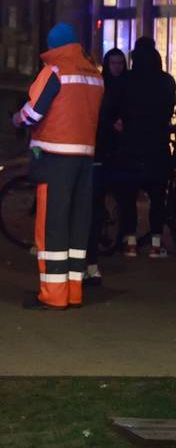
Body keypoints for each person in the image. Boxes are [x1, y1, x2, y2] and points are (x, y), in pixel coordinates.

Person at [13, 23, 105, 310]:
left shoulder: (55, 71)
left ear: (53, 46)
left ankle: (53, 295)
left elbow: (33, 113)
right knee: (78, 223)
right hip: (85, 158)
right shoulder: (94, 74)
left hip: (55, 157)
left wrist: (16, 119)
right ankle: (74, 291)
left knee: (52, 224)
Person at [118, 36, 176, 258]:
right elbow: (168, 108)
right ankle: (155, 243)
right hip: (157, 145)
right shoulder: (167, 81)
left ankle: (130, 242)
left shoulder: (126, 80)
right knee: (157, 197)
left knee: (129, 196)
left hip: (130, 145)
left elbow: (117, 107)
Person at [86, 47, 130, 283]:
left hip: (119, 149)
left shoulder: (127, 85)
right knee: (99, 196)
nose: (116, 67)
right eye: (113, 63)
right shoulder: (100, 86)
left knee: (119, 194)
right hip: (104, 147)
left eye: (120, 63)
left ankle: (120, 235)